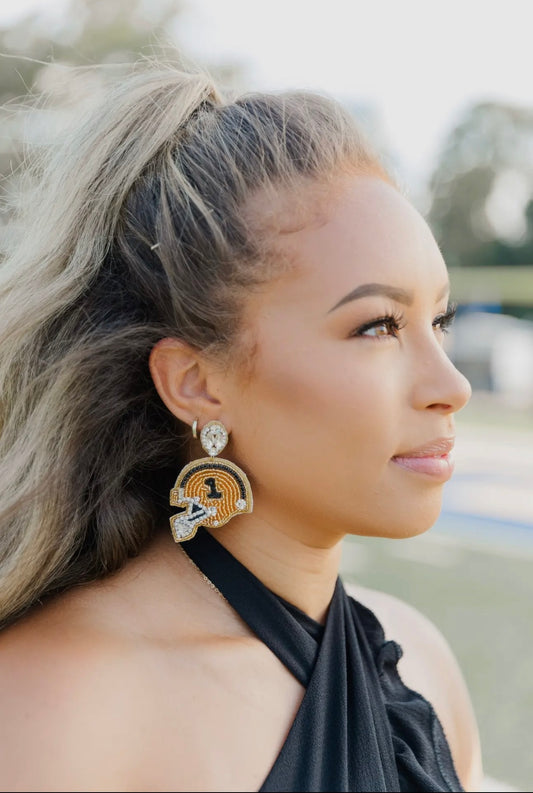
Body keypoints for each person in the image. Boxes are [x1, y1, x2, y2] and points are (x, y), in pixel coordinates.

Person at [0, 64, 483, 792]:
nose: (451, 386)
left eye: (437, 320)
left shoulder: (419, 663)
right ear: (197, 383)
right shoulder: (64, 703)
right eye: (377, 325)